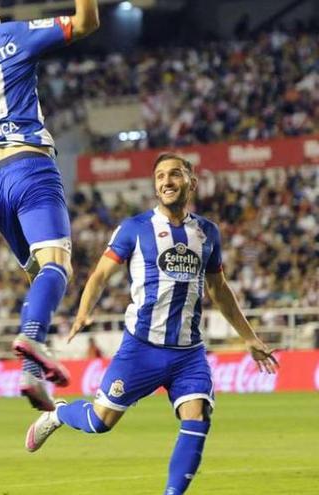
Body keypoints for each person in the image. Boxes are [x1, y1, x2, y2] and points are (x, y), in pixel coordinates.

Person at [25, 154, 280, 495]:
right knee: (99, 422)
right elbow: (100, 273)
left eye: (175, 174)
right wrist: (84, 310)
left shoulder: (207, 233)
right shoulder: (135, 228)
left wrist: (249, 337)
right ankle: (58, 414)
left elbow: (219, 289)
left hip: (188, 353)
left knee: (198, 416)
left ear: (192, 181)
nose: (166, 181)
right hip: (141, 349)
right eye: (160, 175)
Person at [0, 0, 99, 410]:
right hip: (30, 167)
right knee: (57, 266)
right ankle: (30, 340)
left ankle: (33, 375)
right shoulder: (12, 35)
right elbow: (86, 21)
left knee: (36, 275)